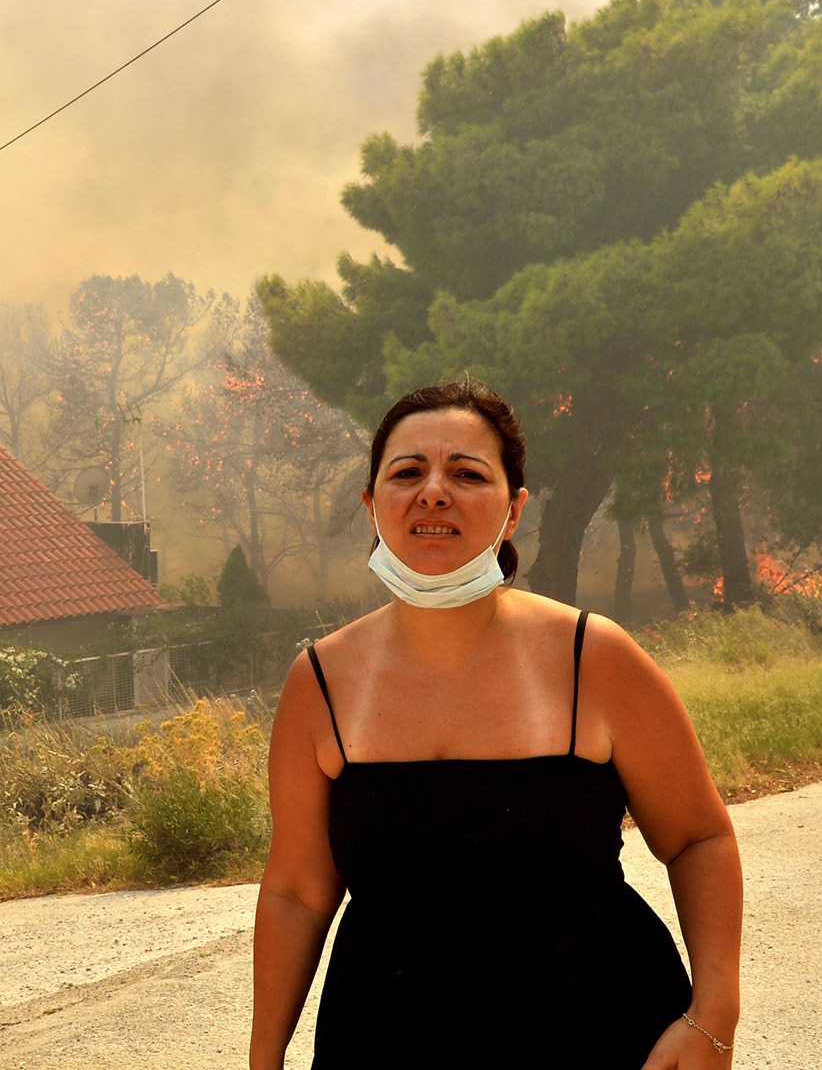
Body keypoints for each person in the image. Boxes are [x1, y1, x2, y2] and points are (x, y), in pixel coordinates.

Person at [250, 379, 742, 1069]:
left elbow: (698, 837)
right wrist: (262, 1060)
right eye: (407, 472)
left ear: (513, 511)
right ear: (372, 505)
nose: (433, 492)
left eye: (467, 473)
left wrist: (713, 1014)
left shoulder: (594, 659)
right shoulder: (320, 684)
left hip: (602, 1032)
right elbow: (298, 891)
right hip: (387, 1041)